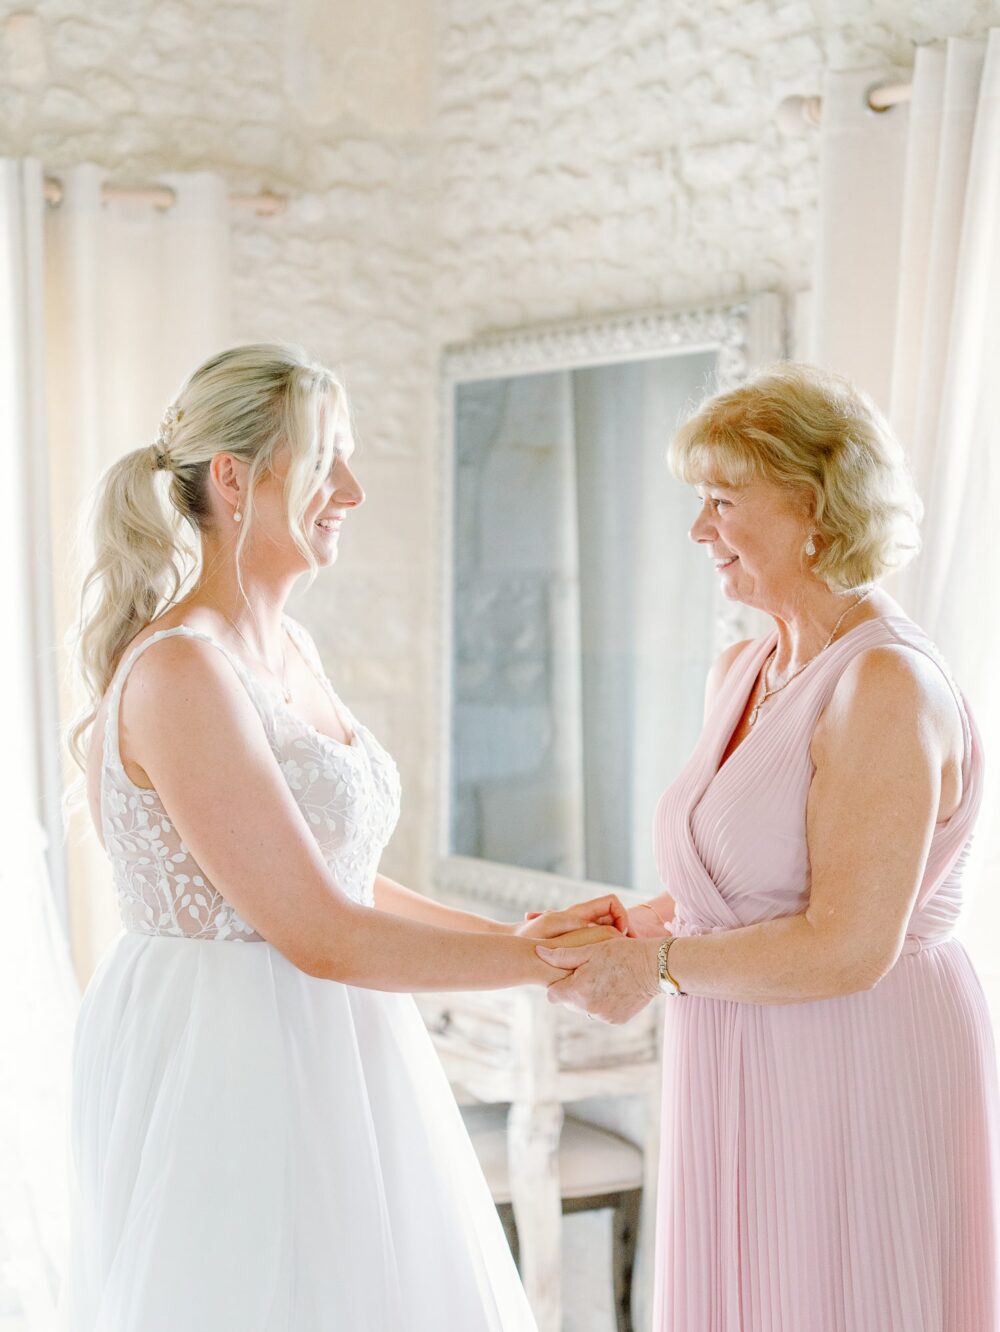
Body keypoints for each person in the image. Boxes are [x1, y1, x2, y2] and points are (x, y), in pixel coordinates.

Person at [60, 343, 619, 1331]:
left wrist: (522, 932)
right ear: (234, 479)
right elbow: (319, 931)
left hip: (340, 1040)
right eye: (327, 460)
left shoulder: (291, 648)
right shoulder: (183, 672)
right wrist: (540, 963)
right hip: (228, 1053)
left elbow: (339, 879)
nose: (352, 490)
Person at [536, 362, 1000, 1331]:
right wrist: (639, 922)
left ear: (814, 505)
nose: (698, 531)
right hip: (736, 1041)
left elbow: (848, 945)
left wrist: (654, 967)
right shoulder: (743, 667)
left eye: (720, 501)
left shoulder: (885, 684)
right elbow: (753, 883)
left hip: (854, 1061)